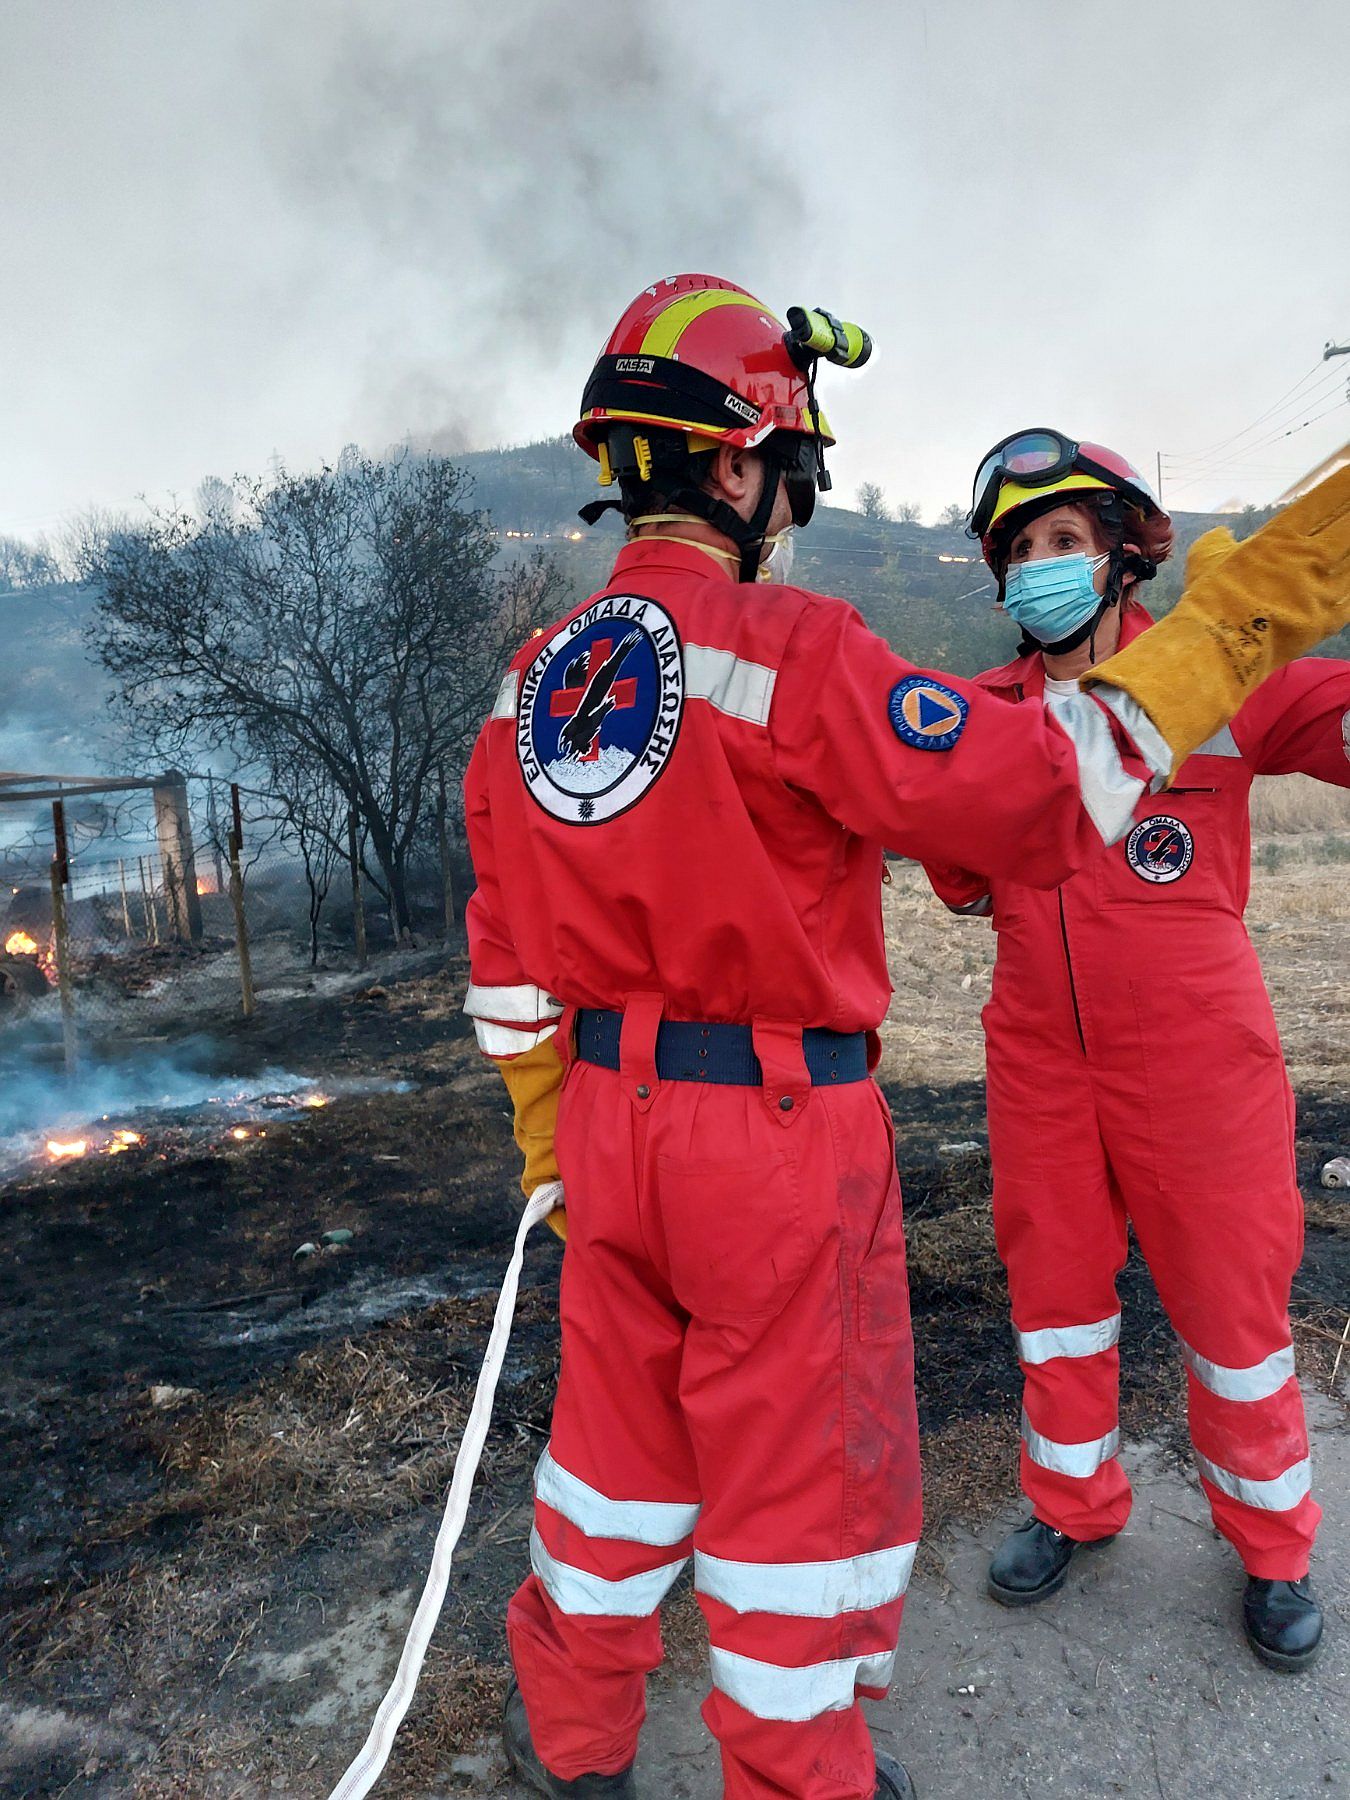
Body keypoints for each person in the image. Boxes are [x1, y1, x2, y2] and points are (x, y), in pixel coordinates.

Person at [462, 283, 1349, 1800]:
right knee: (796, 1493)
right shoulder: (791, 648)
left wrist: (556, 1127)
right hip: (771, 1139)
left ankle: (576, 1745)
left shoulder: (532, 683)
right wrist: (1236, 609)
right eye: (787, 479)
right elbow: (1027, 795)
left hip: (606, 1137)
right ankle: (801, 1775)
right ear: (739, 468)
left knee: (606, 1470)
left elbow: (503, 952)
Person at [924, 429, 1350, 1672]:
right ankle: (1070, 1503)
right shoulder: (979, 713)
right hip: (1037, 1063)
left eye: (1064, 542)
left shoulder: (1210, 668)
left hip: (1200, 1059)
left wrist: (1269, 626)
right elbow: (954, 878)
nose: (1039, 569)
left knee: (1234, 1309)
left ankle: (1272, 1551)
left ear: (1122, 555)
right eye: (1019, 552)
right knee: (1055, 1305)